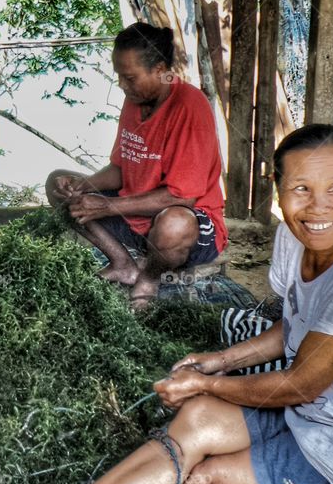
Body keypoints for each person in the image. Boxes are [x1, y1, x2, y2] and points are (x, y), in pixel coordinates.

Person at [0, 124, 333, 484]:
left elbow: (300, 385)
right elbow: (295, 327)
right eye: (302, 189)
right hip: (309, 411)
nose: (318, 207)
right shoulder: (296, 235)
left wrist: (206, 384)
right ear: (278, 187)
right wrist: (220, 361)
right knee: (198, 419)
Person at [45, 22, 227, 307]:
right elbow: (121, 169)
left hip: (188, 230)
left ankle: (149, 278)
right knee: (57, 181)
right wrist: (83, 186)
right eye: (119, 77)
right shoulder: (135, 101)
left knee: (174, 224)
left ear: (160, 69)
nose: (122, 85)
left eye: (129, 77)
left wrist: (105, 206)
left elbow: (182, 197)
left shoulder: (190, 107)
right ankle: (123, 264)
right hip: (138, 220)